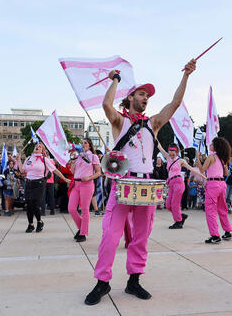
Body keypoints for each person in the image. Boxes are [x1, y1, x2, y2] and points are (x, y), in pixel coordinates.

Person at [84, 59, 197, 305]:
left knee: (141, 237)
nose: (146, 98)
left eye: (148, 95)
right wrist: (115, 79)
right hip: (122, 184)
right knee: (110, 236)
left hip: (146, 188)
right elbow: (106, 103)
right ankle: (102, 282)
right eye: (142, 94)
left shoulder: (152, 124)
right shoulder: (119, 121)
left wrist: (186, 76)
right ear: (131, 97)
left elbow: (175, 104)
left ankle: (134, 280)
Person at [17, 142, 71, 233]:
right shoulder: (29, 158)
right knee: (29, 204)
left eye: (39, 147)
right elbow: (22, 170)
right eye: (36, 146)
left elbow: (55, 170)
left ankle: (39, 221)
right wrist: (18, 160)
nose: (37, 147)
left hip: (39, 183)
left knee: (34, 203)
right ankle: (30, 224)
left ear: (42, 150)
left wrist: (64, 178)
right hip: (29, 183)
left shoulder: (45, 160)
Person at [157, 142, 205, 228]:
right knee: (168, 205)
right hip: (171, 184)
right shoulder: (167, 158)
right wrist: (154, 134)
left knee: (175, 204)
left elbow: (191, 169)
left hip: (178, 182)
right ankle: (181, 216)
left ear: (177, 152)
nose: (171, 154)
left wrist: (203, 176)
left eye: (173, 152)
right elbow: (160, 147)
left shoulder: (180, 160)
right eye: (170, 152)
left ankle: (178, 222)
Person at [196, 137, 232, 243]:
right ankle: (227, 231)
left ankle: (215, 235)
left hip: (213, 184)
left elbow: (202, 169)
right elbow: (226, 173)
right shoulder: (222, 158)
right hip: (222, 184)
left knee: (210, 210)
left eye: (212, 144)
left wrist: (197, 158)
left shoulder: (211, 157)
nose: (210, 145)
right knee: (222, 209)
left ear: (216, 146)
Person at [68, 138, 102, 242]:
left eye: (85, 143)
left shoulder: (93, 156)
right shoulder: (78, 156)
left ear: (90, 145)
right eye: (82, 143)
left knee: (84, 210)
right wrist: (73, 160)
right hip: (76, 184)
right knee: (71, 209)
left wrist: (89, 177)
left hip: (87, 184)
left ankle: (83, 233)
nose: (83, 144)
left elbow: (98, 172)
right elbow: (73, 171)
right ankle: (81, 228)